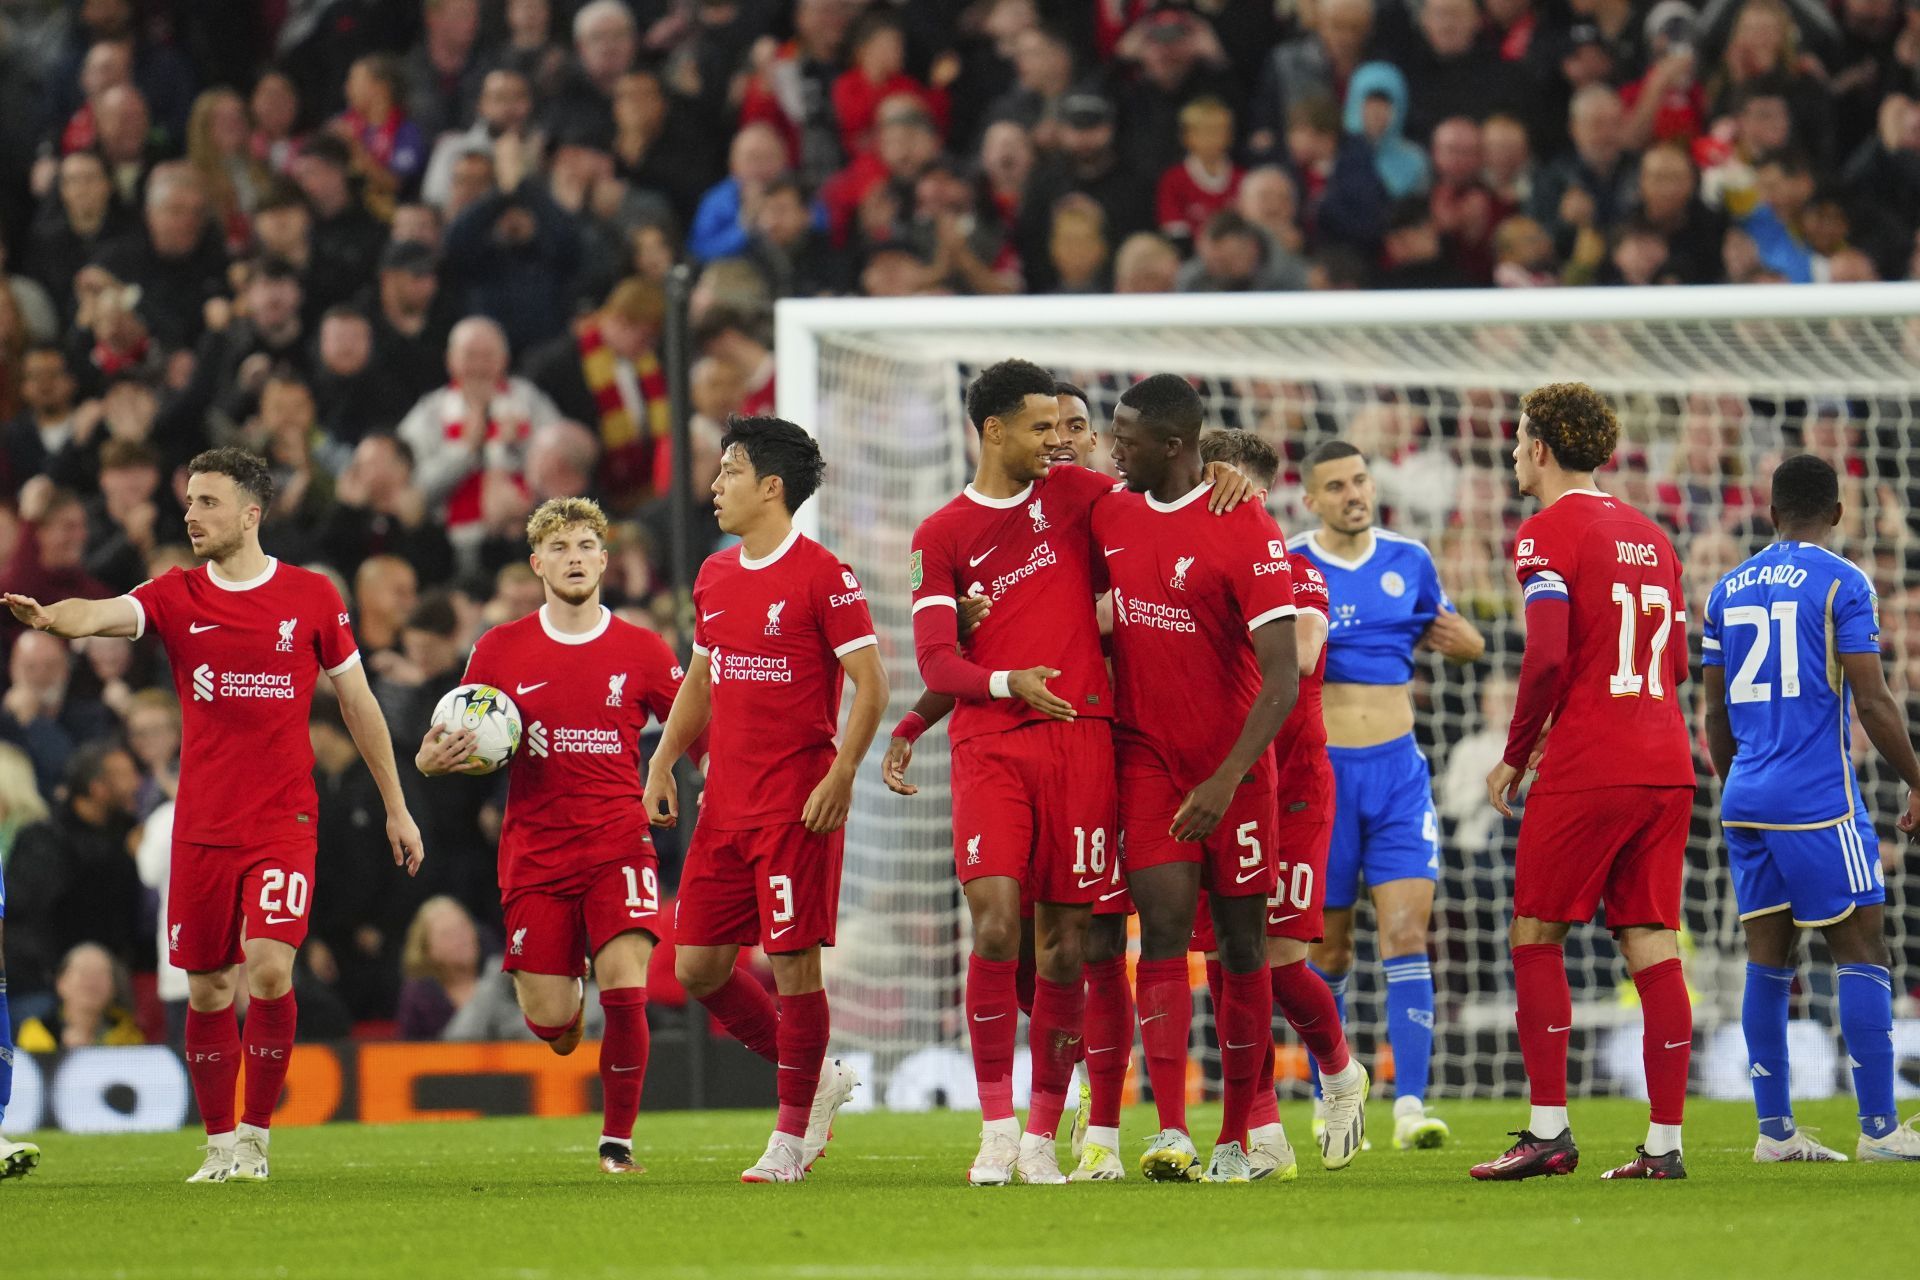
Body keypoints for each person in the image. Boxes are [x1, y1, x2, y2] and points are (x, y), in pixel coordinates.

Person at [3, 446, 425, 1184]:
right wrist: (52, 619)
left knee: (267, 971)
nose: (191, 515)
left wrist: (397, 806)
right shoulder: (177, 593)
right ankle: (219, 1144)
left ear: (250, 513)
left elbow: (358, 705)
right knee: (206, 988)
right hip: (201, 825)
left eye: (207, 502)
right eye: (190, 501)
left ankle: (257, 1139)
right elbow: (103, 612)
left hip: (283, 822)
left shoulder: (312, 597)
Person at [643, 416, 887, 1184]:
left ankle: (791, 1138)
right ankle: (813, 1078)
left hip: (795, 804)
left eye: (730, 473)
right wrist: (662, 760)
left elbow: (873, 685)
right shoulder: (715, 576)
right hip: (725, 804)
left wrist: (841, 773)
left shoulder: (824, 575)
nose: (715, 487)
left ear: (772, 488)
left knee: (793, 967)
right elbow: (702, 681)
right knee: (699, 968)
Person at [418, 496, 688, 1175]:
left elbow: (699, 729)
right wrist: (429, 758)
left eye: (586, 546)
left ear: (605, 560)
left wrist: (686, 773)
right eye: (560, 548)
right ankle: (563, 1013)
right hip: (536, 854)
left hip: (619, 841)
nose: (574, 558)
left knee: (627, 985)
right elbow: (455, 730)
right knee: (552, 1022)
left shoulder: (643, 649)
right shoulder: (500, 648)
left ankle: (617, 1144)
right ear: (538, 563)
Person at [900, 360, 1119, 1185]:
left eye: (1065, 428)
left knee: (1066, 944)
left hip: (1081, 741)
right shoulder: (941, 533)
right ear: (994, 432)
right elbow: (934, 658)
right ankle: (995, 1127)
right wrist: (1002, 682)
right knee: (996, 925)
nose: (1056, 441)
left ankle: (1041, 1136)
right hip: (991, 741)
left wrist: (1218, 474)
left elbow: (1161, 516)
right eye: (1040, 427)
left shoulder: (1079, 498)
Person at [1474, 382, 1694, 1182]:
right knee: (1651, 943)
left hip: (1591, 763)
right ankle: (1664, 1147)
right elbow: (1671, 663)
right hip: (1667, 762)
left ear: (1538, 448)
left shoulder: (1544, 533)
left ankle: (1548, 1133)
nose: (1511, 452)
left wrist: (1517, 750)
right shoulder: (1654, 536)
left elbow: (1549, 655)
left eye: (1517, 438)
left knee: (1535, 933)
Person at [1093, 374, 1301, 1185]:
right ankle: (1172, 1132)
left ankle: (1236, 1137)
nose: (1115, 448)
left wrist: (1226, 777)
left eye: (1128, 436)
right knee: (1166, 931)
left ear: (1174, 447)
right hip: (1146, 756)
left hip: (1235, 767)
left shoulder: (1243, 523)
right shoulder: (1109, 508)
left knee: (1244, 945)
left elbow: (1281, 678)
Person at [1701, 453, 1920, 1162]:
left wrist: (1744, 782)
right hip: (1818, 799)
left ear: (1770, 513)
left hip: (1745, 798)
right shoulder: (1842, 581)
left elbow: (1712, 711)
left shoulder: (1725, 588)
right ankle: (1882, 1130)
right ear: (1836, 512)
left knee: (1769, 958)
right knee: (1862, 946)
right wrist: (1918, 778)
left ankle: (1774, 1133)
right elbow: (1875, 699)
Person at [1190, 428, 1371, 1180]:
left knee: (1283, 957)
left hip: (1293, 787)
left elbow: (1294, 657)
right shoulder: (1192, 566)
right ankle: (1262, 1130)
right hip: (1222, 784)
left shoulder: (1297, 571)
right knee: (1228, 964)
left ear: (1253, 494)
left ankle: (1338, 1068)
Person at [1296, 438, 1485, 1151]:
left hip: (1400, 774)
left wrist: (1467, 641)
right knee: (1332, 952)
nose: (1353, 493)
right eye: (1337, 485)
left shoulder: (1411, 560)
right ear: (1311, 499)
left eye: (1360, 480)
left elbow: (1459, 636)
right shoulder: (1292, 563)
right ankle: (1332, 1101)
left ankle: (1411, 1105)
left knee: (1407, 936)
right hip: (1324, 777)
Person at [14, 941, 143, 1051]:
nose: (91, 982)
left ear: (115, 987)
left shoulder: (131, 1036)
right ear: (61, 983)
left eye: (100, 973)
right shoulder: (36, 1031)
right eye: (83, 972)